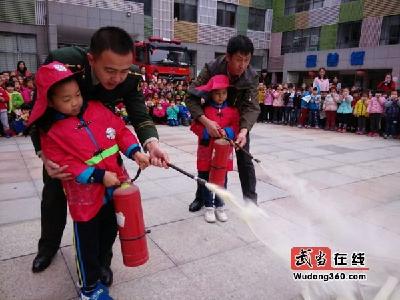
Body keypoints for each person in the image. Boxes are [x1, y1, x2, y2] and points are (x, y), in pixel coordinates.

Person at [30, 27, 169, 278]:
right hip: (63, 147)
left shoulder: (130, 77)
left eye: (124, 70)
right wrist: (44, 154)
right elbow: (39, 108)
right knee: (54, 196)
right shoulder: (64, 62)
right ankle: (48, 247)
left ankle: (103, 262)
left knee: (109, 208)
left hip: (100, 144)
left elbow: (138, 114)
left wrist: (150, 144)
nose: (117, 78)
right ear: (92, 59)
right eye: (110, 71)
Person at [28, 61, 150, 299]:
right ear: (50, 101)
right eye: (66, 99)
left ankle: (103, 266)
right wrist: (99, 176)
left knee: (109, 232)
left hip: (113, 191)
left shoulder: (97, 109)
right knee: (87, 245)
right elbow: (66, 164)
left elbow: (120, 131)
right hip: (86, 199)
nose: (74, 102)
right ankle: (90, 288)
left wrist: (135, 151)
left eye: (77, 95)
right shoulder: (51, 131)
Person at [186, 35, 259, 212]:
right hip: (211, 119)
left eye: (247, 60)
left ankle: (251, 203)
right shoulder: (211, 68)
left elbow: (252, 106)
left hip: (236, 123)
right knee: (205, 163)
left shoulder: (251, 76)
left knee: (245, 160)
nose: (242, 65)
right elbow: (191, 97)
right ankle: (201, 197)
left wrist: (243, 131)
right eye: (238, 60)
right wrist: (205, 122)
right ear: (228, 57)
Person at [190, 75, 239, 222]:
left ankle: (219, 205)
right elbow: (195, 126)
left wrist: (228, 132)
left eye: (223, 93)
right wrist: (206, 131)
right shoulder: (204, 111)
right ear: (211, 93)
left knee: (221, 179)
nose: (220, 96)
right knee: (205, 179)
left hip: (222, 154)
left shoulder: (232, 111)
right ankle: (208, 206)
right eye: (217, 93)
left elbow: (236, 126)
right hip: (206, 151)